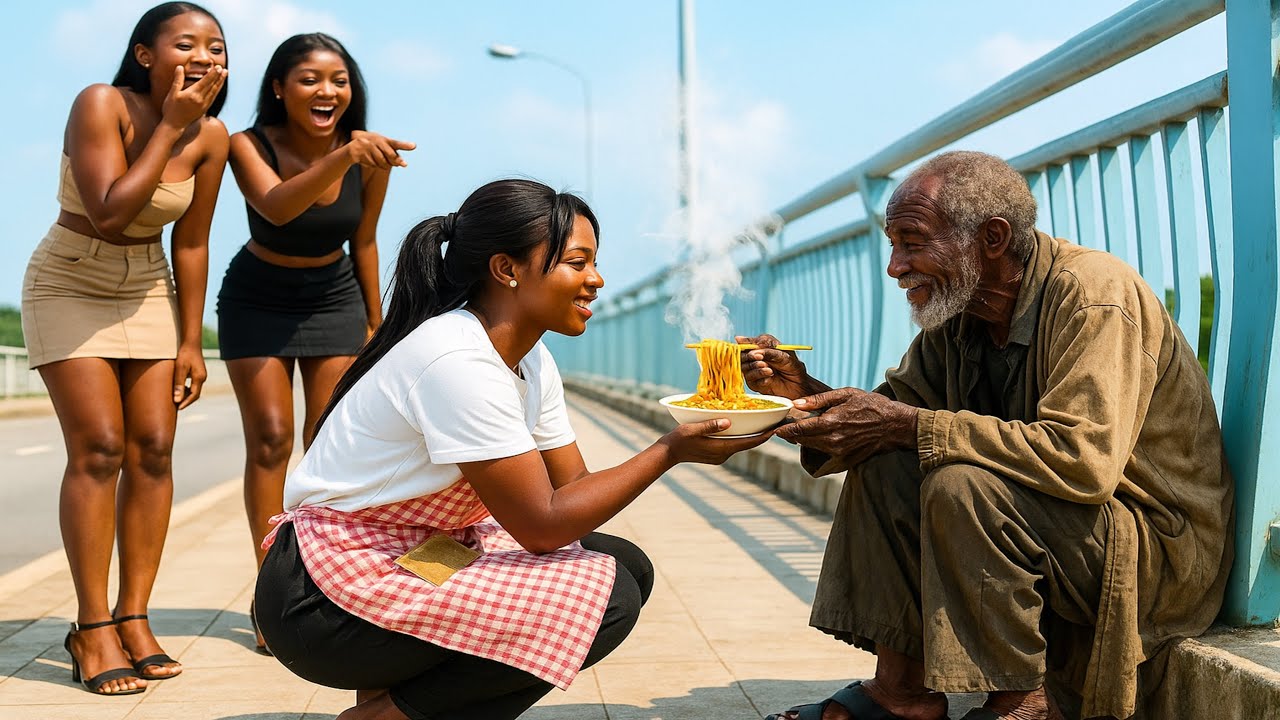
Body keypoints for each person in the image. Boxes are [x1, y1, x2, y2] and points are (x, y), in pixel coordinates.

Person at [252, 179, 770, 720]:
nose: (596, 280)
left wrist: (696, 430)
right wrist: (668, 451)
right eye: (577, 262)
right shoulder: (456, 358)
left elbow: (571, 494)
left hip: (414, 553)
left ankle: (404, 703)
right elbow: (543, 525)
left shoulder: (530, 358)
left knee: (622, 564)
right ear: (507, 269)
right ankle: (388, 715)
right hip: (325, 594)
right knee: (605, 596)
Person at [746, 151, 1232, 720]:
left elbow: (1084, 461)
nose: (895, 267)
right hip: (1061, 529)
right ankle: (902, 695)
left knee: (959, 482)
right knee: (886, 458)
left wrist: (908, 426)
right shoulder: (960, 313)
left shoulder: (1094, 294)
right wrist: (799, 394)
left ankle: (1021, 705)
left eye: (912, 242)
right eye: (892, 244)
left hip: (1150, 543)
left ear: (992, 238)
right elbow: (888, 418)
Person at [19, 1, 229, 696]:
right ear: (146, 54)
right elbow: (109, 207)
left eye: (216, 48)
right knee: (101, 448)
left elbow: (191, 242)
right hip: (70, 278)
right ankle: (91, 626)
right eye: (187, 44)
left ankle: (133, 615)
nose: (205, 58)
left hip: (147, 287)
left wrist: (191, 339)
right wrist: (169, 126)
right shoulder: (100, 103)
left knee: (154, 449)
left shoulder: (213, 137)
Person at [216, 32, 414, 652]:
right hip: (257, 297)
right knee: (272, 439)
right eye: (308, 79)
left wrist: (379, 323)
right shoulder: (245, 144)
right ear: (279, 88)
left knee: (328, 445)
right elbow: (277, 207)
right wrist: (346, 155)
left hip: (335, 298)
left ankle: (329, 585)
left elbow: (366, 241)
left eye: (338, 81)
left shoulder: (367, 156)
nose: (326, 91)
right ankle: (267, 594)